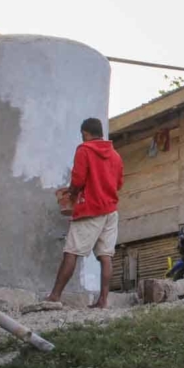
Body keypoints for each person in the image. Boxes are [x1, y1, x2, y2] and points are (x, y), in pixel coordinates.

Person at [46, 118, 124, 308]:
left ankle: (55, 296)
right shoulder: (115, 156)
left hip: (91, 209)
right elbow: (119, 184)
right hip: (111, 211)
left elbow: (79, 178)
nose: (82, 138)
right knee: (105, 256)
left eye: (83, 135)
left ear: (86, 133)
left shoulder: (85, 150)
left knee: (71, 251)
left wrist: (71, 193)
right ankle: (103, 300)